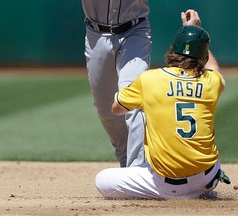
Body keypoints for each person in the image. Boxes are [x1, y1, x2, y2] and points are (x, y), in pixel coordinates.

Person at [95, 17, 231, 199]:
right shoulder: (211, 82)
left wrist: (148, 103)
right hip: (207, 179)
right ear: (204, 56)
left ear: (174, 50)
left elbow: (116, 108)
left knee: (102, 180)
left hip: (167, 186)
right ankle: (201, 190)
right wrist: (193, 30)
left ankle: (177, 195)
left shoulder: (151, 79)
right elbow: (213, 67)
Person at [82, 0, 202, 167]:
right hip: (96, 34)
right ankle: (125, 159)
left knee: (133, 101)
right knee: (106, 111)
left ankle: (137, 167)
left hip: (134, 32)